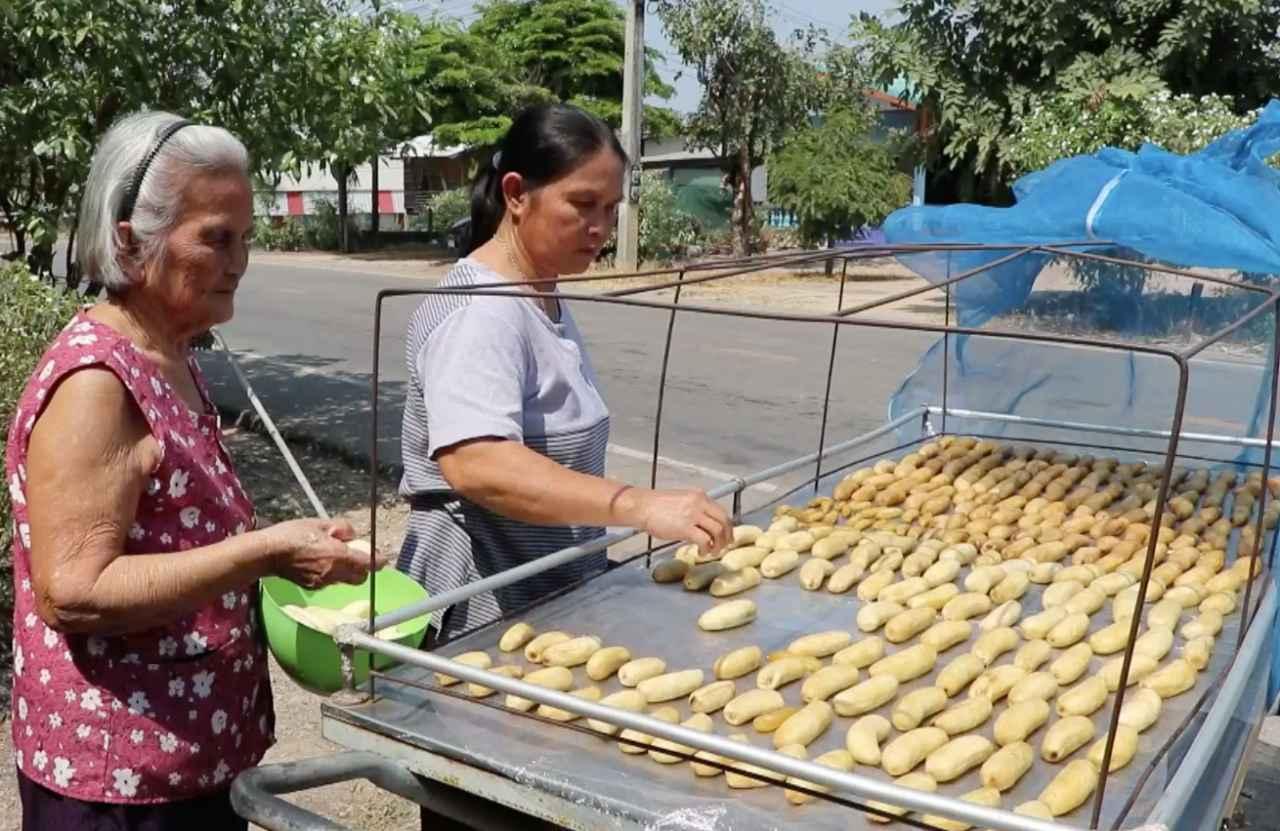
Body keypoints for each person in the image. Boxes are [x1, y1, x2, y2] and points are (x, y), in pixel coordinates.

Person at [6, 111, 374, 830]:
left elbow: (174, 533)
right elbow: (74, 591)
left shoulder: (170, 354)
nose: (240, 262)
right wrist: (263, 552)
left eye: (247, 239)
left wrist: (278, 550)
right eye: (216, 238)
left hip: (190, 766)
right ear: (129, 240)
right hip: (117, 786)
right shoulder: (96, 382)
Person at [398, 103, 732, 643]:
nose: (600, 227)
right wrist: (638, 505)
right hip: (483, 614)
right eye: (582, 204)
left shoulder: (539, 290)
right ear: (516, 194)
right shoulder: (480, 311)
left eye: (611, 208)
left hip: (548, 600)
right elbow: (478, 465)